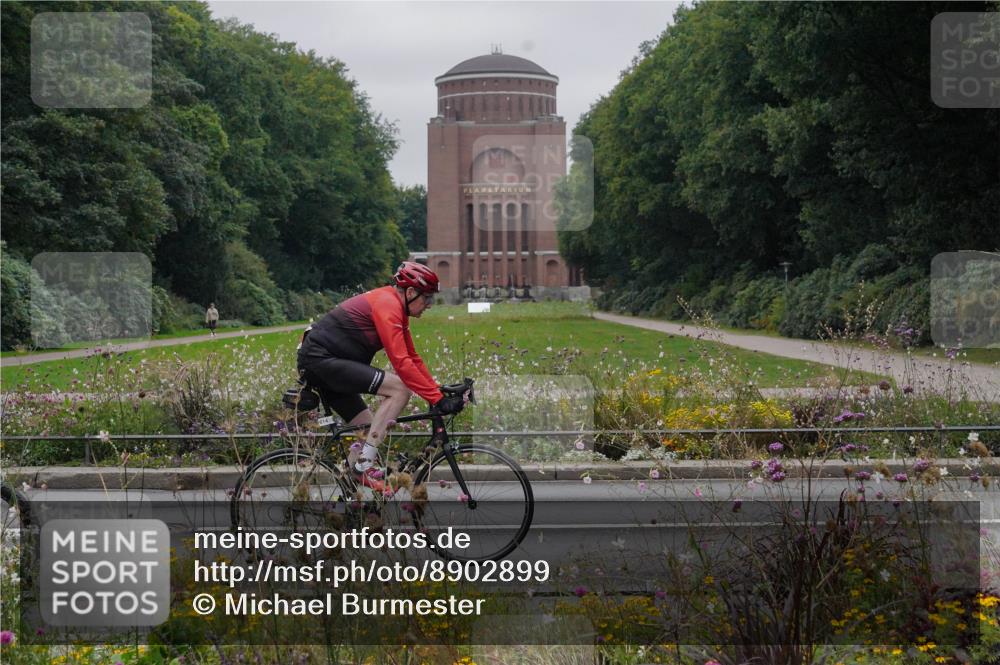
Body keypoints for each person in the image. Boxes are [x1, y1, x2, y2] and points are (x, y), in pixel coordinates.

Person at [296, 262, 465, 487]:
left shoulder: (396, 308)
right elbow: (401, 363)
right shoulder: (388, 304)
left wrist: (437, 390)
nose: (430, 305)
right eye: (428, 299)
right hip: (320, 360)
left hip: (328, 363)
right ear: (411, 293)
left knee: (369, 427)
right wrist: (436, 400)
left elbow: (412, 357)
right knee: (399, 390)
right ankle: (364, 464)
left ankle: (352, 490)